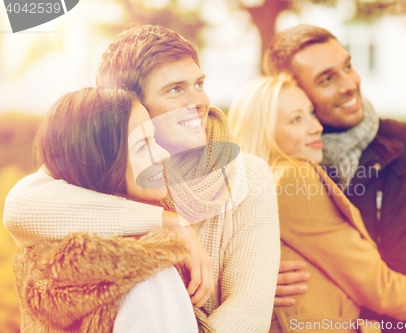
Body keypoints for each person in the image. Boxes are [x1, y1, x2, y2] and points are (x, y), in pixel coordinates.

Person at [4, 25, 280, 333]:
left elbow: (249, 310)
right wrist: (168, 222)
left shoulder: (249, 175)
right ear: (127, 104)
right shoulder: (99, 168)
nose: (199, 101)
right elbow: (19, 209)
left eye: (199, 83)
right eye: (176, 89)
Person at [262, 24, 406, 332]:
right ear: (294, 89)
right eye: (327, 78)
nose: (349, 83)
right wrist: (256, 282)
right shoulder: (277, 170)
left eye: (348, 66)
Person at [228, 76, 406, 332]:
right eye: (296, 119)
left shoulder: (251, 182)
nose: (316, 126)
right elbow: (375, 285)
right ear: (264, 131)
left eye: (310, 113)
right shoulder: (295, 177)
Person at [14, 86, 204, 332]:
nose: (163, 154)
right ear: (102, 165)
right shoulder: (147, 272)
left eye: (153, 140)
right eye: (142, 147)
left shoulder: (41, 268)